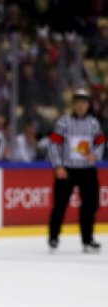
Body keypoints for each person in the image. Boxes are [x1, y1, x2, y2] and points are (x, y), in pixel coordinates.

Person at [47, 88, 104, 253]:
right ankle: (53, 237)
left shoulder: (94, 123)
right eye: (77, 103)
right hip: (67, 170)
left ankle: (88, 239)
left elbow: (100, 142)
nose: (80, 106)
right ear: (73, 105)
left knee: (90, 205)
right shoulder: (63, 122)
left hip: (87, 170)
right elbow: (53, 144)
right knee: (60, 205)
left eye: (84, 103)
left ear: (88, 105)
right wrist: (58, 166)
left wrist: (96, 154)